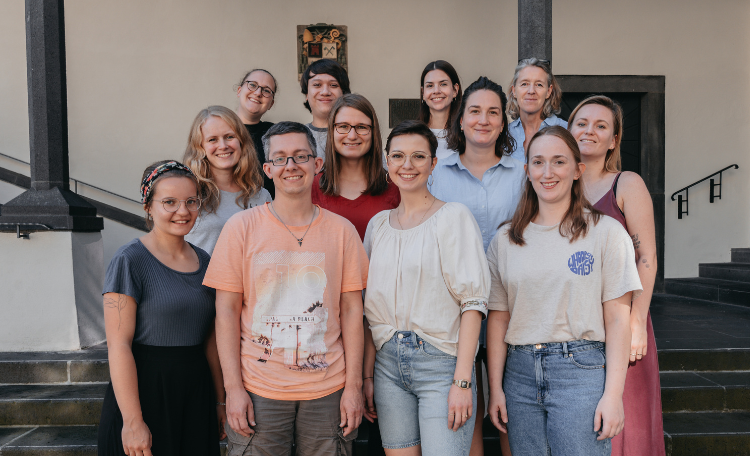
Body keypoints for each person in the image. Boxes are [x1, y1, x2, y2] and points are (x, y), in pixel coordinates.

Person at [204, 121, 369, 456]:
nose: (291, 166)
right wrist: (232, 388)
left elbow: (353, 312)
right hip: (258, 388)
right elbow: (226, 313)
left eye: (300, 156)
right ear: (267, 169)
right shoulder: (241, 228)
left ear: (317, 164)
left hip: (328, 388)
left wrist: (353, 386)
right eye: (280, 159)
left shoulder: (342, 231)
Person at [486, 126, 642, 456]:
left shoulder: (607, 233)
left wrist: (613, 396)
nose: (548, 172)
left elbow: (617, 319)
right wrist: (496, 388)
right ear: (527, 171)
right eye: (538, 162)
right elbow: (498, 319)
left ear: (576, 170)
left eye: (559, 162)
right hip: (520, 373)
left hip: (579, 370)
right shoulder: (506, 239)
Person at [363, 120, 490, 456]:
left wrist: (463, 382)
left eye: (419, 156)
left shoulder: (453, 217)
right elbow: (368, 309)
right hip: (387, 365)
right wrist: (367, 376)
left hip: (441, 363)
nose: (408, 165)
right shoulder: (378, 226)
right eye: (399, 156)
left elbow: (474, 303)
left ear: (433, 163)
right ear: (387, 164)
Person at [98, 160, 224, 456]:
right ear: (148, 207)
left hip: (195, 392)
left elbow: (210, 341)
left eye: (191, 201)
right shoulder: (129, 261)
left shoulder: (206, 261)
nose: (183, 211)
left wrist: (220, 401)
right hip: (146, 391)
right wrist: (132, 421)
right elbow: (119, 346)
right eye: (169, 202)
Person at [431, 76, 526, 456]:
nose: (483, 119)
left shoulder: (523, 174)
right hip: (454, 308)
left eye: (493, 112)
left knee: (509, 408)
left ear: (504, 121)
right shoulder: (436, 173)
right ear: (460, 119)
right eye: (474, 111)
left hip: (514, 307)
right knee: (466, 405)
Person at [568, 95, 664, 456]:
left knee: (628, 426)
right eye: (581, 122)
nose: (589, 131)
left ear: (613, 141)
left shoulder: (626, 184)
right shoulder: (557, 183)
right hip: (577, 323)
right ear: (568, 129)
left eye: (601, 125)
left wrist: (638, 320)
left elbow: (647, 257)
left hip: (624, 319)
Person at [183, 106, 271, 255]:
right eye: (212, 140)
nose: (223, 146)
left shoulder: (262, 196)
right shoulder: (189, 193)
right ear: (200, 147)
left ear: (241, 141)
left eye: (229, 137)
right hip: (197, 278)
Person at [313, 93, 400, 239]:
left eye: (361, 127)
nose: (352, 135)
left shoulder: (393, 186)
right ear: (332, 131)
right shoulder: (313, 187)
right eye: (343, 126)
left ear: (373, 133)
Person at [506, 58, 566, 163]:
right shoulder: (505, 135)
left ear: (548, 91)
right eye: (524, 84)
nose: (531, 91)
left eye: (539, 84)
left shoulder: (567, 130)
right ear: (514, 91)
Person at [235, 69, 278, 197]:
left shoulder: (276, 135)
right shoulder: (219, 130)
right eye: (252, 85)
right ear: (239, 91)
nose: (258, 93)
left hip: (267, 212)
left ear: (271, 103)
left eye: (266, 90)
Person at [300, 59, 351, 161]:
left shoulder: (357, 134)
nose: (325, 92)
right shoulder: (297, 136)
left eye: (333, 85)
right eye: (317, 85)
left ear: (344, 93)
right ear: (306, 94)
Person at [418, 60, 462, 160]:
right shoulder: (413, 133)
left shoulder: (468, 134)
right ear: (423, 93)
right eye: (430, 86)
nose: (436, 91)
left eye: (443, 84)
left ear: (455, 90)